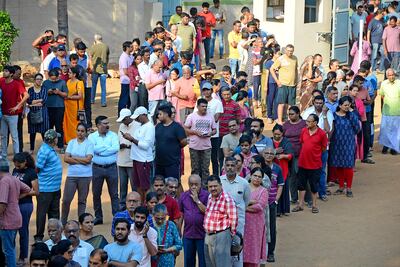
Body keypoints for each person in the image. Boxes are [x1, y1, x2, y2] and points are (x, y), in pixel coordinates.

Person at [292, 114, 328, 214]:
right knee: (301, 185)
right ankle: (301, 205)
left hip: (315, 164)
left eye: (309, 121)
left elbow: (324, 148)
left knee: (314, 185)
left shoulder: (321, 134)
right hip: (303, 163)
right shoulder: (304, 131)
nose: (306, 123)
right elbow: (302, 142)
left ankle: (314, 205)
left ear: (315, 123)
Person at [0, 158, 32, 267]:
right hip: (15, 217)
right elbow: (28, 189)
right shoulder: (13, 178)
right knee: (10, 247)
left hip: (7, 220)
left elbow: (2, 204)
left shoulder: (4, 181)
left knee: (8, 250)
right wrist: (14, 199)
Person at [88, 115, 119, 225]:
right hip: (97, 168)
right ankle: (98, 217)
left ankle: (116, 216)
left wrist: (99, 151)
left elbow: (116, 148)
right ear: (98, 125)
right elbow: (92, 149)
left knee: (114, 194)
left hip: (112, 167)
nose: (107, 125)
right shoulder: (92, 137)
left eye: (107, 123)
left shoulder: (113, 135)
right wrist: (107, 149)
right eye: (104, 124)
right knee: (96, 193)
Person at [302, 95, 333, 200]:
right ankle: (308, 196)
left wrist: (324, 115)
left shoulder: (328, 113)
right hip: (309, 151)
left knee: (322, 171)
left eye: (321, 103)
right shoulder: (307, 112)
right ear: (313, 102)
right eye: (317, 102)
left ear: (323, 103)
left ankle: (322, 193)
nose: (319, 105)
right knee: (307, 172)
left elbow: (328, 130)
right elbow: (303, 130)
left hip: (322, 149)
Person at [61, 123, 94, 225]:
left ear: (86, 132)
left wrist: (73, 158)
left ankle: (81, 222)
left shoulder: (89, 144)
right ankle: (63, 222)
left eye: (82, 131)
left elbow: (88, 160)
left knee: (82, 200)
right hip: (72, 175)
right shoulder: (71, 142)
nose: (80, 133)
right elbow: (66, 158)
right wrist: (81, 160)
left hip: (85, 176)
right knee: (66, 200)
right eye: (78, 130)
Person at [220, 156, 250, 266]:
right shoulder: (219, 181)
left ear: (237, 166)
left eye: (232, 165)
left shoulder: (244, 183)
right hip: (222, 223)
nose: (230, 168)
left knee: (237, 249)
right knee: (223, 250)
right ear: (224, 166)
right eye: (227, 165)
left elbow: (246, 201)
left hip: (238, 223)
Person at [329, 96, 361, 197]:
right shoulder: (333, 116)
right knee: (339, 165)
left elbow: (357, 128)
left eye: (349, 105)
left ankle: (349, 188)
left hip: (348, 144)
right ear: (340, 105)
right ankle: (341, 187)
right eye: (345, 105)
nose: (347, 107)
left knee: (348, 166)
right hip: (336, 144)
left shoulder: (351, 115)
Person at [121, 107, 155, 201]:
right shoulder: (142, 125)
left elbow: (146, 145)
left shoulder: (149, 127)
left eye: (138, 117)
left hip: (144, 160)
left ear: (144, 115)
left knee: (145, 186)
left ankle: (147, 205)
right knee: (138, 185)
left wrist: (131, 139)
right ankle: (140, 204)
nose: (136, 119)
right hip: (137, 159)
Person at [35, 129, 63, 242]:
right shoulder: (44, 151)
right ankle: (39, 236)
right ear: (53, 140)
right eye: (56, 138)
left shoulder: (50, 149)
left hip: (55, 188)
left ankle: (55, 234)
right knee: (42, 213)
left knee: (54, 212)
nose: (58, 139)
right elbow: (37, 168)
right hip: (45, 189)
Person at [204, 175, 238, 267]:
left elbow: (233, 218)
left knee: (223, 264)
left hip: (221, 235)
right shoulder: (210, 197)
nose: (213, 188)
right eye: (210, 187)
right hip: (209, 236)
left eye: (215, 186)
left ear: (221, 185)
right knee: (210, 264)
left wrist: (229, 235)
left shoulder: (227, 199)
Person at [12, 152, 39, 265]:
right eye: (15, 165)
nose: (17, 167)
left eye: (19, 165)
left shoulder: (31, 172)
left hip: (25, 205)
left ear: (25, 162)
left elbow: (36, 191)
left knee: (23, 231)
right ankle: (11, 255)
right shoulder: (15, 170)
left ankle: (23, 257)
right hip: (13, 205)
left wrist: (22, 195)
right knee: (11, 231)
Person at [178, 174, 209, 267]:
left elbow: (208, 212)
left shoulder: (207, 195)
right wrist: (179, 230)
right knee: (188, 261)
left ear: (201, 184)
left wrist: (197, 200)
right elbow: (181, 214)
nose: (193, 187)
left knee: (203, 262)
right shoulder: (183, 196)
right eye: (191, 184)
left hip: (202, 235)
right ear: (188, 184)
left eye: (196, 184)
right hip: (188, 235)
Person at [185, 98, 217, 183]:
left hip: (206, 146)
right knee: (195, 168)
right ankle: (194, 186)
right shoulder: (191, 116)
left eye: (206, 106)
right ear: (198, 106)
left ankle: (205, 188)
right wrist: (195, 132)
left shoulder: (210, 116)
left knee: (205, 169)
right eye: (202, 106)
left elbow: (215, 129)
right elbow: (185, 128)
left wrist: (211, 133)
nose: (204, 108)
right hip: (194, 146)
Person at [0, 65, 29, 158]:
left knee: (14, 136)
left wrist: (17, 106)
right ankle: (3, 154)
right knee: (3, 136)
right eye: (4, 71)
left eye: (6, 71)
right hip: (3, 114)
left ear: (11, 74)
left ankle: (17, 155)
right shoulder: (1, 81)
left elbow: (26, 95)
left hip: (13, 115)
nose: (4, 72)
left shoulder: (17, 84)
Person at [262, 147, 284, 263]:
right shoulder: (259, 168)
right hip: (259, 204)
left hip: (271, 203)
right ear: (263, 154)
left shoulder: (278, 169)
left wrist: (276, 200)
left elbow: (280, 185)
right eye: (267, 153)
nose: (269, 155)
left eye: (271, 153)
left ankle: (270, 253)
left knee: (271, 228)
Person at [243, 167, 268, 267]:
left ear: (262, 179)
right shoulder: (244, 188)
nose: (257, 178)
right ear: (250, 176)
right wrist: (250, 202)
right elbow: (237, 201)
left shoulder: (264, 191)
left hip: (256, 225)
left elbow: (259, 206)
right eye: (255, 176)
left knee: (254, 247)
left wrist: (243, 207)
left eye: (259, 177)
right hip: (243, 223)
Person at [155, 104, 187, 179]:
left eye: (160, 114)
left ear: (166, 114)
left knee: (173, 184)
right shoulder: (158, 126)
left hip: (172, 163)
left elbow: (184, 142)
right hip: (159, 163)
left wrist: (174, 147)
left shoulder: (177, 127)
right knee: (159, 184)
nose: (158, 116)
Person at [283, 106, 307, 203]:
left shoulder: (304, 124)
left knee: (301, 175)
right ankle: (294, 198)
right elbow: (282, 137)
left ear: (298, 114)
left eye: (292, 114)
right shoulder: (286, 125)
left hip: (301, 154)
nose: (290, 116)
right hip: (289, 154)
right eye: (289, 114)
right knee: (291, 176)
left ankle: (305, 197)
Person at [270, 44, 298, 124]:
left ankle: (290, 120)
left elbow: (295, 70)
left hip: (292, 85)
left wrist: (296, 80)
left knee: (291, 104)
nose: (290, 52)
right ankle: (279, 120)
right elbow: (272, 69)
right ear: (285, 50)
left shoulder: (295, 58)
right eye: (288, 51)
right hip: (283, 84)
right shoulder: (281, 59)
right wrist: (277, 81)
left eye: (291, 51)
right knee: (281, 103)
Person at [116, 109, 138, 210]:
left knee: (134, 186)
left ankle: (136, 206)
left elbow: (139, 143)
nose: (123, 122)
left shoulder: (137, 126)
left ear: (129, 117)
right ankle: (122, 206)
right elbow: (118, 140)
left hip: (132, 161)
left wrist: (128, 145)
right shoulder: (121, 126)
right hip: (121, 160)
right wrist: (119, 145)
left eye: (124, 119)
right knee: (122, 186)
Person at [43, 68, 68, 152]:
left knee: (59, 126)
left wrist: (59, 92)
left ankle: (60, 146)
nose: (53, 81)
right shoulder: (45, 83)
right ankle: (48, 146)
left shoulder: (62, 82)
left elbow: (66, 94)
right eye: (51, 79)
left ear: (58, 77)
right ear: (49, 77)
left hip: (59, 107)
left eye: (55, 79)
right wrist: (48, 92)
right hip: (48, 107)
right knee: (48, 127)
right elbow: (42, 94)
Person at [271, 124, 293, 216]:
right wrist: (275, 153)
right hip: (273, 169)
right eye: (275, 134)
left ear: (282, 134)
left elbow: (291, 155)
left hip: (284, 169)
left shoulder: (286, 142)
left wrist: (283, 156)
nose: (276, 136)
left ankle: (284, 210)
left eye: (279, 134)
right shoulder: (269, 141)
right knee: (274, 189)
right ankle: (277, 211)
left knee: (284, 189)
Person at [27, 73, 49, 154]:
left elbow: (44, 100)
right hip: (32, 113)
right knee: (32, 132)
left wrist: (33, 103)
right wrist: (36, 102)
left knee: (44, 131)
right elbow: (28, 100)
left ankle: (46, 149)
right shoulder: (30, 90)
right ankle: (31, 149)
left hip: (43, 113)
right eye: (37, 79)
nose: (39, 81)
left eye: (40, 79)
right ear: (34, 80)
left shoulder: (44, 89)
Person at [379, 68, 400, 154]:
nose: (391, 77)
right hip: (387, 110)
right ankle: (386, 145)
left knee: (396, 130)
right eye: (389, 75)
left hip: (397, 111)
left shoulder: (399, 83)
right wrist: (382, 107)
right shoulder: (383, 83)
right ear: (387, 76)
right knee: (385, 129)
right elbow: (382, 96)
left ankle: (394, 148)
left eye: (392, 75)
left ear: (395, 75)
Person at [63, 66, 85, 143]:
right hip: (67, 107)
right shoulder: (68, 82)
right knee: (67, 124)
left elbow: (80, 96)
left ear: (74, 74)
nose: (68, 74)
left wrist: (68, 97)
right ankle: (68, 140)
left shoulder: (79, 83)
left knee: (76, 124)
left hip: (76, 107)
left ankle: (75, 140)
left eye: (70, 73)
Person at [90, 34, 110, 107]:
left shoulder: (93, 47)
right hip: (104, 69)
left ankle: (92, 99)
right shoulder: (106, 46)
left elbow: (90, 56)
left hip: (95, 69)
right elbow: (107, 56)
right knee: (103, 87)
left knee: (94, 85)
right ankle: (103, 102)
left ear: (95, 39)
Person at [118, 41, 134, 113]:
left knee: (129, 99)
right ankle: (121, 114)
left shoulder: (130, 56)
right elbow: (125, 71)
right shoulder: (123, 57)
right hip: (126, 81)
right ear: (127, 48)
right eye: (131, 47)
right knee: (124, 99)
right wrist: (132, 77)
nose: (132, 48)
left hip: (129, 81)